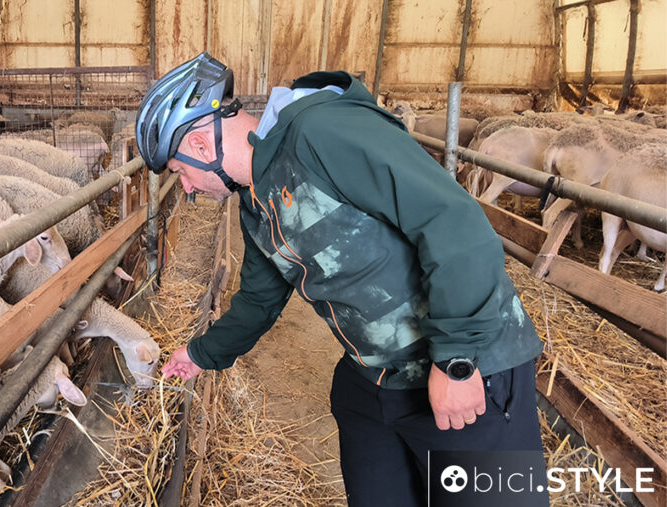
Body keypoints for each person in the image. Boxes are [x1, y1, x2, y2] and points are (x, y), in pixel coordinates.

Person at [136, 52, 546, 505]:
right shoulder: (256, 202)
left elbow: (455, 224)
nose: (188, 189)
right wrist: (200, 355)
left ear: (199, 144)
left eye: (180, 173)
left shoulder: (323, 132)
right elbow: (258, 300)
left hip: (468, 373)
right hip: (376, 382)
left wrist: (457, 362)